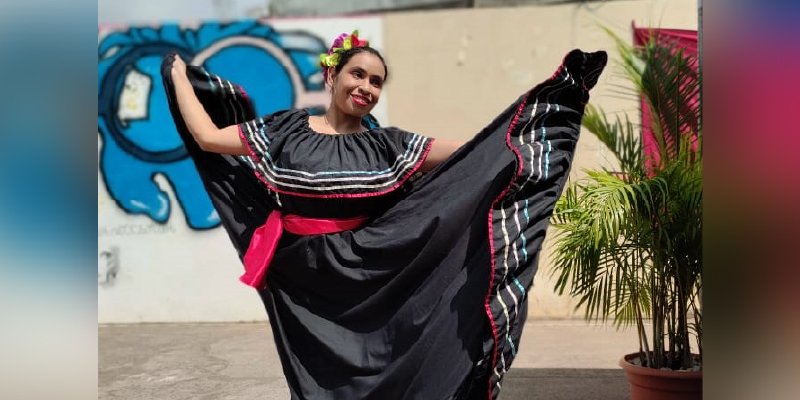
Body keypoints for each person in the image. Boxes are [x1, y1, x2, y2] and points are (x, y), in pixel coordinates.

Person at [162, 30, 607, 400]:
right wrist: (179, 74)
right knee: (316, 380)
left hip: (372, 274)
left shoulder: (388, 145)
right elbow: (207, 138)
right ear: (332, 74)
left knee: (387, 366)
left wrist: (544, 117)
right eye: (358, 74)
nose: (366, 88)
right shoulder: (285, 131)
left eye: (376, 82)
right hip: (301, 278)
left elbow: (479, 152)